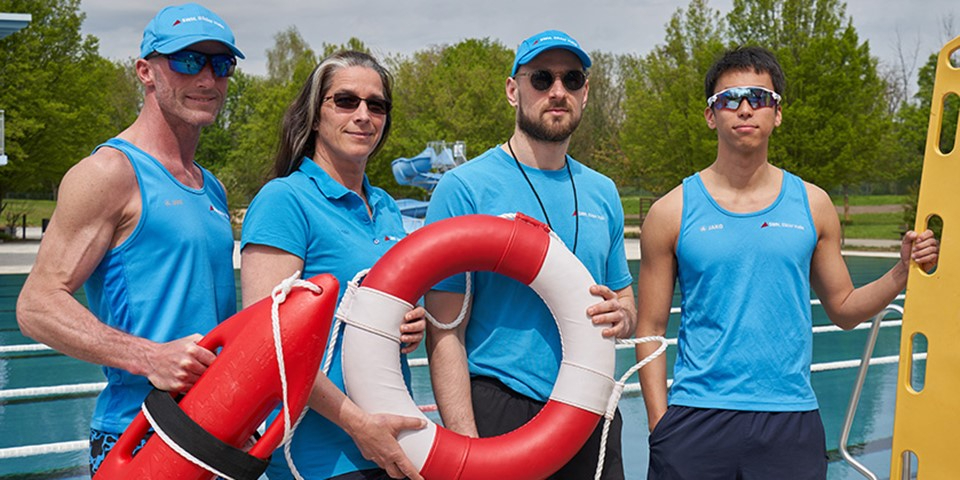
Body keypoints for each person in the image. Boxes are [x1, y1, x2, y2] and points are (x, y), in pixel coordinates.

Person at [634, 46, 940, 479]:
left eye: (758, 98)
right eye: (729, 99)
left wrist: (901, 271)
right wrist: (660, 423)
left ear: (777, 113)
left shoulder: (813, 205)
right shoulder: (671, 212)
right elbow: (649, 328)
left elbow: (845, 308)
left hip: (789, 418)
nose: (744, 109)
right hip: (695, 418)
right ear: (710, 115)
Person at [15, 3, 244, 474]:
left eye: (220, 65)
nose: (206, 78)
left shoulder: (210, 185)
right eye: (187, 61)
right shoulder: (110, 173)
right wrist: (148, 356)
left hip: (219, 431)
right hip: (140, 434)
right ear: (145, 71)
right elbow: (35, 305)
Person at [423, 30, 635, 479]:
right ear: (512, 89)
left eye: (572, 79)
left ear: (586, 92)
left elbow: (627, 304)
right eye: (542, 78)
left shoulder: (603, 192)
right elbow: (444, 331)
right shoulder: (465, 189)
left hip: (591, 407)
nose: (558, 92)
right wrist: (466, 445)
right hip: (502, 405)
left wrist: (624, 317)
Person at [240, 50, 427, 480]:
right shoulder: (284, 201)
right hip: (318, 460)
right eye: (345, 101)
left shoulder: (386, 207)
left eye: (376, 105)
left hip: (387, 444)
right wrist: (359, 426)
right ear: (315, 115)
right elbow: (267, 341)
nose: (363, 115)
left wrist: (408, 323)